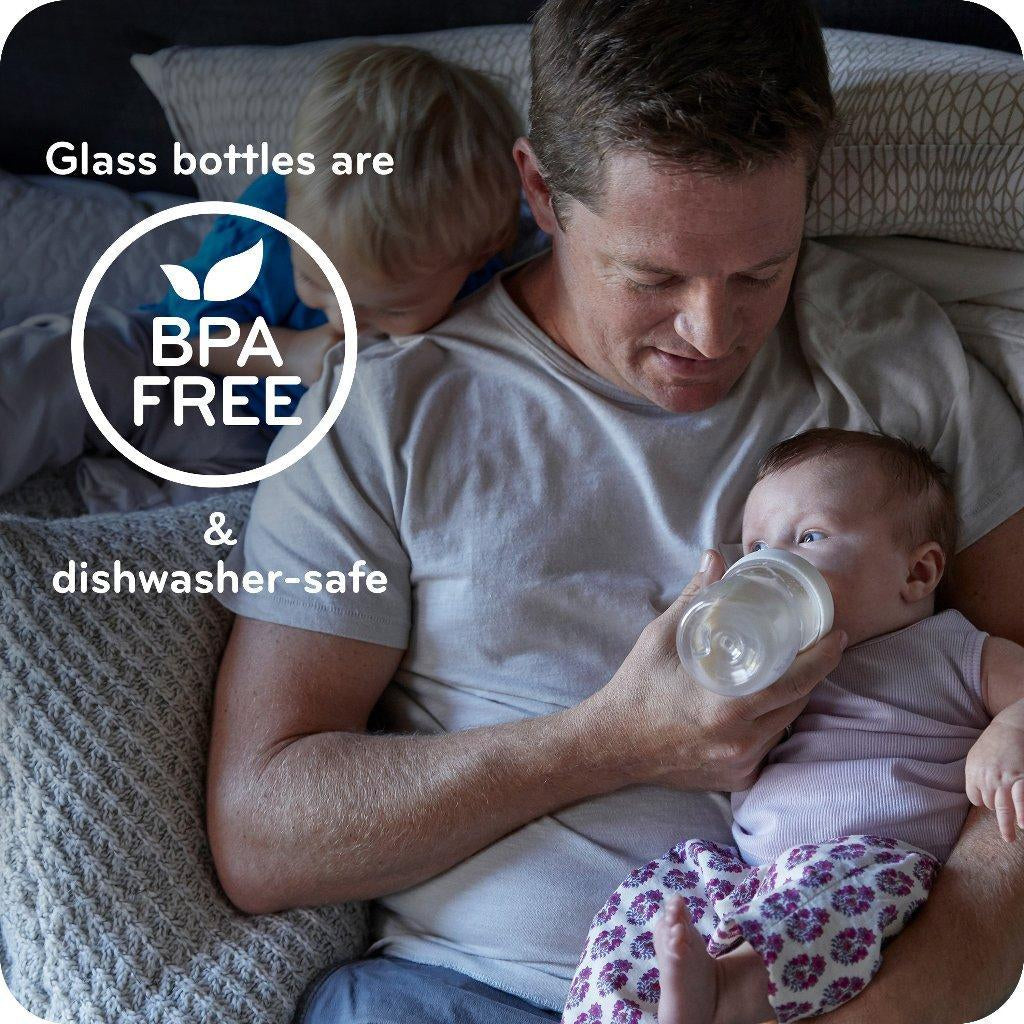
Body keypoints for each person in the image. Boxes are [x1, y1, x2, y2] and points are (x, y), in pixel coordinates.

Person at [207, 2, 1024, 1022]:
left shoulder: (894, 361)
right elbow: (262, 834)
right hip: (466, 993)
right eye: (653, 275)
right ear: (540, 191)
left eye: (761, 271)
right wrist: (613, 741)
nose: (711, 333)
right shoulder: (382, 413)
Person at [565, 429, 1024, 1024]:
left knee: (832, 899)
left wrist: (1007, 733)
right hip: (752, 872)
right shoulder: (775, 668)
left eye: (808, 537)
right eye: (755, 548)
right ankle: (619, 1009)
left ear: (917, 572)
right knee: (651, 896)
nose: (769, 565)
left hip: (875, 866)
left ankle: (730, 991)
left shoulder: (955, 649)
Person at [0, 43, 523, 508]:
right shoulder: (271, 215)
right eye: (314, 281)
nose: (343, 319)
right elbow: (189, 336)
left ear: (482, 253)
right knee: (70, 356)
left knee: (262, 516)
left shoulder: (496, 279)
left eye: (390, 308)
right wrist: (292, 353)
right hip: (192, 374)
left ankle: (121, 499)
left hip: (267, 456)